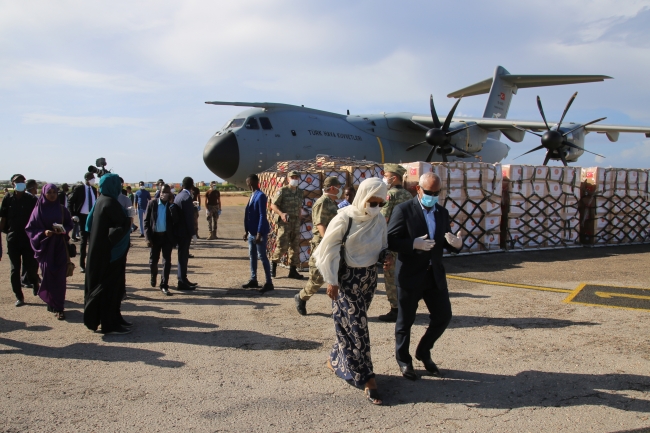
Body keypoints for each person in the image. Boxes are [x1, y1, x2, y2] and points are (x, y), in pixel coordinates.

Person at [313, 177, 390, 405]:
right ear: (362, 197)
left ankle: (336, 359)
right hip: (345, 280)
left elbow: (383, 246)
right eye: (372, 201)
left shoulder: (379, 220)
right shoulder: (345, 218)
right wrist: (332, 279)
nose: (375, 207)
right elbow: (327, 249)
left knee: (350, 324)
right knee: (358, 328)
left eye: (380, 203)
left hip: (368, 279)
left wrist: (387, 258)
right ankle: (368, 379)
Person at [387, 172, 463, 380]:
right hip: (410, 275)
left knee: (443, 316)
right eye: (428, 192)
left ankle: (423, 350)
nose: (432, 196)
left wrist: (456, 244)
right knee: (405, 321)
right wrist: (412, 244)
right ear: (418, 189)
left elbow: (445, 239)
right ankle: (404, 360)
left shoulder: (441, 212)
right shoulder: (403, 210)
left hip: (433, 274)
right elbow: (391, 240)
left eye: (436, 193)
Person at [83, 173, 132, 335]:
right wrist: (128, 219)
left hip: (101, 252)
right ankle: (109, 323)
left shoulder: (101, 201)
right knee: (110, 288)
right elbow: (117, 230)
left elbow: (89, 225)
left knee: (116, 287)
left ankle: (115, 317)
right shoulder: (110, 203)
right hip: (110, 254)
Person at [294, 176, 342, 315]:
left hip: (333, 242)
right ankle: (301, 297)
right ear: (332, 188)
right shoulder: (323, 202)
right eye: (339, 187)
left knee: (337, 276)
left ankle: (339, 308)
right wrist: (328, 241)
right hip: (323, 243)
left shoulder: (332, 202)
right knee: (317, 277)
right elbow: (320, 224)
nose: (340, 189)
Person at [25, 184, 73, 319]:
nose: (52, 195)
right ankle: (51, 302)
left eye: (54, 192)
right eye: (49, 192)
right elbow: (30, 229)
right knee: (48, 274)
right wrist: (43, 232)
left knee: (60, 278)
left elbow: (70, 224)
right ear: (44, 193)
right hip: (45, 248)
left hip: (60, 247)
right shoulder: (38, 210)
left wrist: (63, 230)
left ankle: (59, 307)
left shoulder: (62, 209)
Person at [378, 164, 413, 323]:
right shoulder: (408, 195)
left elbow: (383, 220)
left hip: (391, 241)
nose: (384, 178)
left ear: (394, 177)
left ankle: (395, 309)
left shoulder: (389, 195)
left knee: (391, 275)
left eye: (386, 175)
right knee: (405, 275)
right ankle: (406, 306)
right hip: (406, 241)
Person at [0, 174, 39, 306]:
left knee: (30, 266)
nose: (20, 183)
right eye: (17, 181)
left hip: (28, 238)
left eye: (22, 181)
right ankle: (19, 296)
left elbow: (37, 218)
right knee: (14, 269)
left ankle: (35, 283)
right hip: (13, 238)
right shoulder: (8, 198)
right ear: (12, 184)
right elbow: (3, 218)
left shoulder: (31, 199)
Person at [242, 174, 274, 294]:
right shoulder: (252, 195)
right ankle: (253, 279)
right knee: (252, 256)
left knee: (262, 257)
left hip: (258, 233)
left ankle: (269, 282)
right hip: (251, 232)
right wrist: (246, 231)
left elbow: (262, 215)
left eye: (249, 182)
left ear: (254, 182)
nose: (248, 184)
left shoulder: (260, 196)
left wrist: (260, 233)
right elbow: (249, 214)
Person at [269, 170, 304, 279]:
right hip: (285, 222)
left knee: (295, 246)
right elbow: (273, 205)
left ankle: (293, 270)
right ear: (288, 179)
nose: (294, 179)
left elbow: (299, 206)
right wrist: (281, 214)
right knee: (282, 245)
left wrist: (300, 214)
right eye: (292, 177)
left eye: (296, 177)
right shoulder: (282, 191)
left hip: (296, 222)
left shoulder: (300, 192)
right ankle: (273, 266)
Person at [144, 184, 177, 296]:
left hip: (167, 238)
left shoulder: (171, 206)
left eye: (166, 193)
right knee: (153, 261)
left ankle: (164, 285)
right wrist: (148, 238)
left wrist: (172, 206)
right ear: (159, 192)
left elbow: (175, 221)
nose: (163, 194)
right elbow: (146, 222)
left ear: (169, 194)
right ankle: (153, 275)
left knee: (166, 262)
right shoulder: (152, 203)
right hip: (155, 237)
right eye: (162, 192)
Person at [68, 172, 97, 273]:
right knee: (84, 241)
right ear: (86, 178)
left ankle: (92, 263)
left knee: (93, 241)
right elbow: (70, 202)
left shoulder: (94, 190)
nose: (93, 179)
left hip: (92, 217)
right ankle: (82, 265)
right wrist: (73, 214)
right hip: (83, 217)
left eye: (94, 177)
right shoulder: (79, 189)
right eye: (91, 178)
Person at [174, 177, 198, 291]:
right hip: (184, 232)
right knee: (183, 257)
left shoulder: (178, 196)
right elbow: (189, 218)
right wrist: (193, 233)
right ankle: (181, 281)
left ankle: (183, 278)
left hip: (178, 231)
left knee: (182, 256)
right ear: (192, 186)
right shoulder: (187, 197)